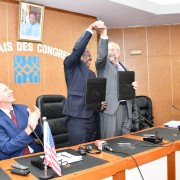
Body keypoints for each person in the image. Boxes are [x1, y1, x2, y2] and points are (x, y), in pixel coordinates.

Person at [63, 20, 106, 146]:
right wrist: (90, 29)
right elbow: (77, 49)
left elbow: (94, 96)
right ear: (80, 57)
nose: (90, 58)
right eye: (87, 55)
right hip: (77, 118)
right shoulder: (70, 65)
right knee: (78, 151)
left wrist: (100, 104)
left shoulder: (92, 74)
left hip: (93, 119)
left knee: (92, 151)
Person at [95, 25, 137, 138]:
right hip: (112, 110)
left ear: (119, 51)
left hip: (126, 110)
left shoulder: (125, 68)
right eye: (108, 50)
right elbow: (101, 56)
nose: (110, 52)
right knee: (110, 142)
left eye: (112, 49)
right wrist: (103, 36)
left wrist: (132, 87)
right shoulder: (103, 66)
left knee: (125, 142)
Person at [0, 82, 43, 160]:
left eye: (9, 88)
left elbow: (39, 135)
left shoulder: (23, 109)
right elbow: (7, 148)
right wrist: (29, 129)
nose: (11, 91)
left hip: (35, 154)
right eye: (6, 90)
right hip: (13, 160)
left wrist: (36, 123)